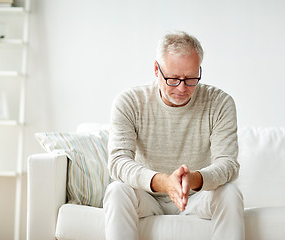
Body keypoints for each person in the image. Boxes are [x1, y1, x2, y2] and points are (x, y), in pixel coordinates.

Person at [104, 31, 244, 240]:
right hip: (147, 197)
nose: (182, 88)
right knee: (117, 190)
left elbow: (228, 164)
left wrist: (194, 179)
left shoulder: (220, 103)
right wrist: (164, 182)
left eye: (190, 79)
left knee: (230, 193)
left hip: (197, 198)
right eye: (173, 79)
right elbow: (118, 162)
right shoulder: (129, 102)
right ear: (156, 69)